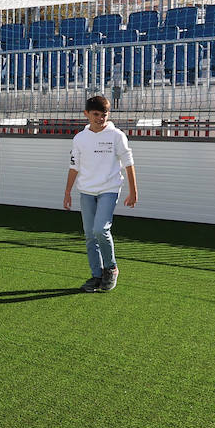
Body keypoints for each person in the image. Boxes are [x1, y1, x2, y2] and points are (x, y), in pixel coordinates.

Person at [63, 94, 138, 292]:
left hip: (109, 189)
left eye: (104, 114)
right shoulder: (80, 138)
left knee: (100, 230)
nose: (100, 118)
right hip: (86, 191)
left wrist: (133, 192)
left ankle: (111, 268)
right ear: (86, 114)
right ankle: (96, 276)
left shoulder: (117, 136)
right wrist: (67, 192)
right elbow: (74, 166)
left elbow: (129, 164)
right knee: (89, 235)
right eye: (96, 114)